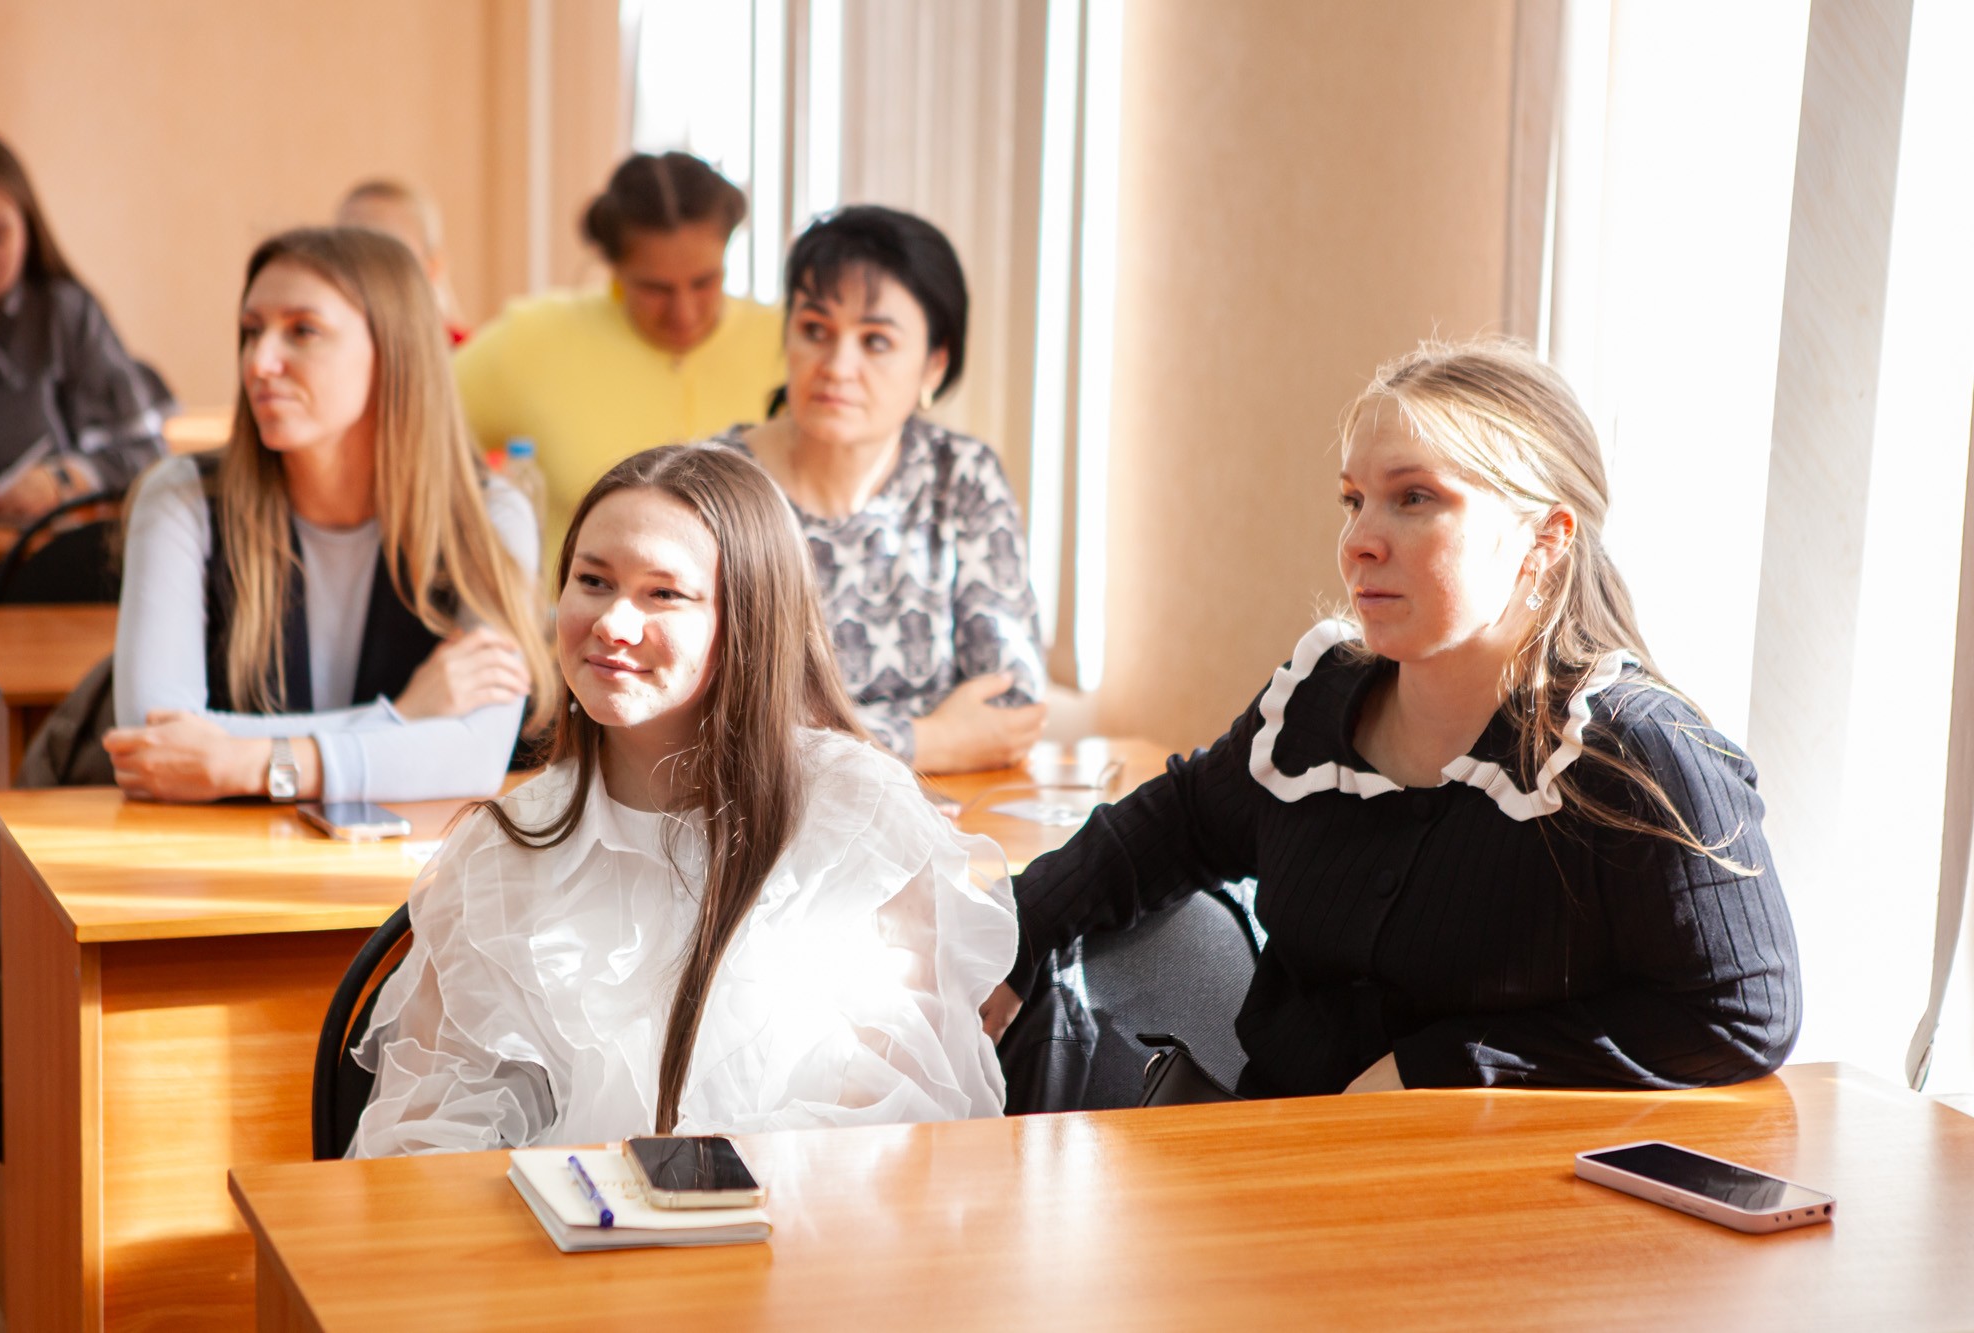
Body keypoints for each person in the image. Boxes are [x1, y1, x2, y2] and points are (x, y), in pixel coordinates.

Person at [986, 339, 1801, 1096]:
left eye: (1415, 498)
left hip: (1478, 1192)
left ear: (1545, 537)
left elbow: (1743, 1013)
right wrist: (1006, 942)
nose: (1359, 542)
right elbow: (1174, 827)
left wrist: (1446, 1067)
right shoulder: (1315, 701)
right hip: (1270, 1167)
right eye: (1354, 500)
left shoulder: (1634, 754)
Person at [347, 444, 1016, 1155]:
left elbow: (914, 1117)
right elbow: (424, 1132)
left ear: (749, 621)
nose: (612, 623)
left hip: (803, 1217)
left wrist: (702, 1199)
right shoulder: (499, 850)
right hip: (568, 1222)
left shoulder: (860, 818)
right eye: (592, 581)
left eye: (663, 593)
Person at [103, 226, 555, 804]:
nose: (259, 362)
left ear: (394, 353)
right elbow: (154, 740)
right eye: (251, 332)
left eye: (303, 331)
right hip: (213, 845)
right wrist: (403, 718)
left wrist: (248, 762)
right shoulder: (182, 497)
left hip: (406, 856)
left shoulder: (489, 515)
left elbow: (476, 757)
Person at [716, 206, 1046, 774]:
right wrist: (926, 740)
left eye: (876, 341)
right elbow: (706, 722)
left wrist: (815, 736)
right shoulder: (713, 487)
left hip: (942, 814)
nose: (837, 366)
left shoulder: (962, 476)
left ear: (934, 365)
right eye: (815, 330)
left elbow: (1012, 708)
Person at [454, 152, 784, 572]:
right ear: (613, 268)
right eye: (655, 289)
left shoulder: (788, 342)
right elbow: (414, 423)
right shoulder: (533, 340)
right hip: (572, 612)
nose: (684, 312)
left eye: (705, 282)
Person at [0, 130, 171, 522]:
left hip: (45, 547)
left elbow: (146, 453)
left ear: (28, 230)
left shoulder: (66, 314)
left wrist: (63, 479)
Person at [335, 178, 469, 344]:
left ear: (432, 268)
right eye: (348, 249)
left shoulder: (462, 350)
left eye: (386, 253)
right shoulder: (329, 340)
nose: (363, 265)